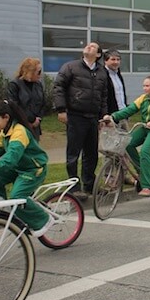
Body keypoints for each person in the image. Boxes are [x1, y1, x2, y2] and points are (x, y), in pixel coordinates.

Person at [53, 42, 108, 199]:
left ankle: (89, 186)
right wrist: (61, 109)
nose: (89, 47)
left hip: (93, 117)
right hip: (75, 116)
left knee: (91, 154)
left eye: (93, 47)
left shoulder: (102, 72)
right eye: (88, 46)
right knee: (73, 154)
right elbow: (59, 87)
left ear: (98, 55)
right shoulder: (71, 67)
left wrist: (103, 116)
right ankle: (73, 187)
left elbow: (103, 96)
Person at [102, 76, 150, 197]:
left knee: (145, 151)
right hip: (145, 128)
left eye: (147, 86)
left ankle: (147, 186)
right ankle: (142, 171)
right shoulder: (143, 98)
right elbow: (129, 110)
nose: (144, 88)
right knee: (127, 144)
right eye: (144, 86)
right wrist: (113, 117)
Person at [0, 99, 53, 236]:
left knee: (17, 196)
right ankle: (3, 208)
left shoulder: (19, 132)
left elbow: (12, 156)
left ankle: (44, 220)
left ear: (6, 117)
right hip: (18, 167)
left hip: (33, 169)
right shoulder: (4, 133)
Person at [7, 57, 44, 140]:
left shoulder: (38, 85)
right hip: (20, 124)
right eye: (38, 72)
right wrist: (29, 120)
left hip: (35, 126)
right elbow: (14, 105)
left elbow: (42, 103)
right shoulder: (15, 85)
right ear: (30, 72)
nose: (40, 75)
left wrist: (38, 119)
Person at [103, 50, 128, 128]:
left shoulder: (118, 75)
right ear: (105, 61)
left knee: (125, 139)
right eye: (113, 59)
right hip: (110, 117)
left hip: (123, 114)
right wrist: (105, 116)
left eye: (118, 59)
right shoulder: (102, 76)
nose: (116, 62)